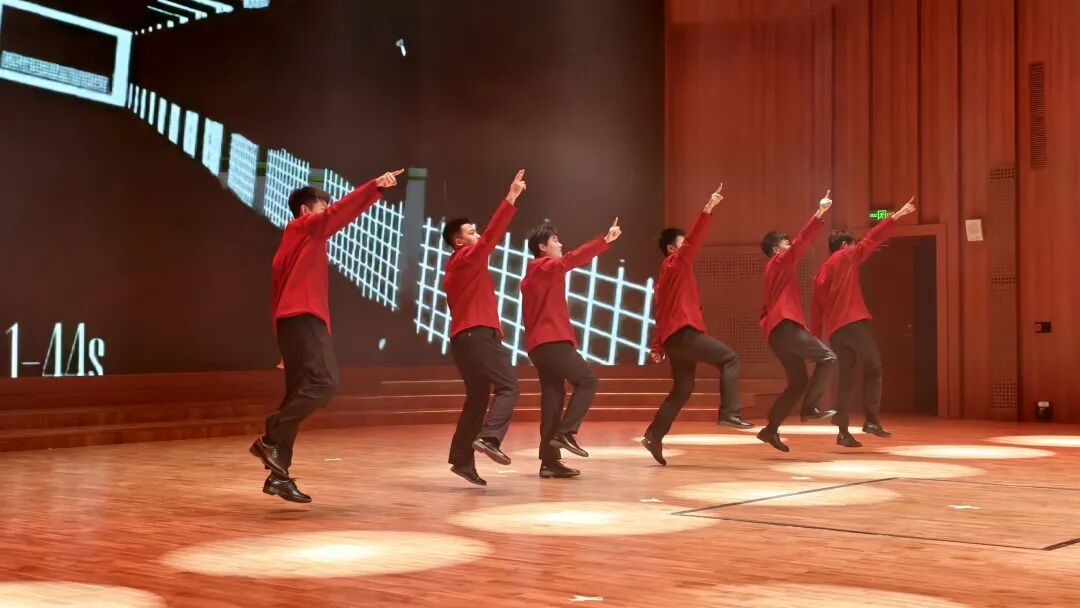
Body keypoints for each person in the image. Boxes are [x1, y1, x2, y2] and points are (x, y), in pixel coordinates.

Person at [250, 169, 404, 503]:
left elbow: (277, 294)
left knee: (297, 395)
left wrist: (283, 344)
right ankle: (271, 438)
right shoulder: (303, 227)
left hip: (291, 324)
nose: (327, 212)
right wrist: (374, 187)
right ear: (306, 210)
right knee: (326, 383)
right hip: (305, 317)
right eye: (322, 206)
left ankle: (278, 475)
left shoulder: (292, 244)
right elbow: (337, 215)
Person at [640, 185, 751, 467]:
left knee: (683, 388)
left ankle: (653, 435)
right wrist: (708, 209)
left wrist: (657, 347)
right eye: (682, 243)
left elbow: (660, 315)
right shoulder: (676, 263)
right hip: (685, 334)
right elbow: (694, 240)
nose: (687, 246)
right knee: (730, 359)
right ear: (671, 249)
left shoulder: (665, 279)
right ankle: (729, 413)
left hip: (674, 340)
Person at [441, 170, 527, 486]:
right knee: (509, 386)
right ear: (459, 241)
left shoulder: (456, 266)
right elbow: (492, 236)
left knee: (477, 399)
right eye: (471, 232)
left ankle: (462, 459)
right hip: (479, 335)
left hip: (463, 340)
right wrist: (511, 197)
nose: (478, 235)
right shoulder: (466, 258)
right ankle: (490, 438)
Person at [521, 217, 622, 478]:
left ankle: (549, 462)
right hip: (551, 340)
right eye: (555, 240)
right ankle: (566, 432)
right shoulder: (542, 266)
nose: (560, 244)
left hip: (539, 345)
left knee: (553, 399)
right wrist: (604, 240)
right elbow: (572, 259)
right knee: (587, 380)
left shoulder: (534, 274)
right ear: (542, 247)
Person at [811, 197, 916, 447]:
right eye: (852, 244)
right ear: (844, 245)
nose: (855, 247)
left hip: (836, 332)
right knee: (875, 367)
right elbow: (872, 238)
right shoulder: (846, 256)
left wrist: (816, 340)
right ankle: (871, 420)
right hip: (853, 324)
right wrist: (897, 215)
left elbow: (816, 309)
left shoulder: (820, 272)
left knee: (846, 380)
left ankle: (843, 432)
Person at [755, 190, 838, 453]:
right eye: (785, 242)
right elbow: (804, 239)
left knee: (799, 382)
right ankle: (810, 408)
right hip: (785, 326)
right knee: (829, 358)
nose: (790, 245)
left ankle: (770, 430)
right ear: (775, 249)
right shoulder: (780, 261)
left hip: (777, 332)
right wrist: (820, 212)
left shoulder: (773, 268)